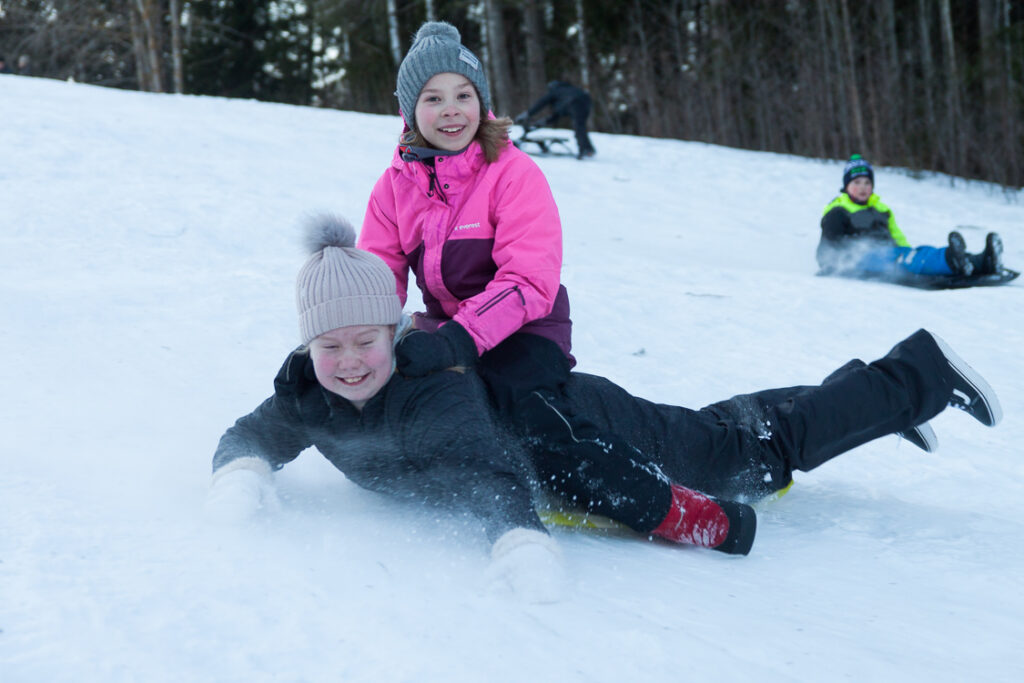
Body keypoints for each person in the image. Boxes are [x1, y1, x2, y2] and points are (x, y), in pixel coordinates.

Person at [206, 217, 566, 602]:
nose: (349, 361)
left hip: (563, 433)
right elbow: (249, 436)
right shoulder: (307, 393)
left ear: (393, 334)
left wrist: (521, 545)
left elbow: (485, 475)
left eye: (365, 342)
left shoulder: (431, 388)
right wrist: (239, 482)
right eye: (329, 347)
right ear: (309, 348)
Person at [818, 154, 1003, 279]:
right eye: (856, 182)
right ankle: (951, 260)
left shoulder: (881, 210)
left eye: (867, 182)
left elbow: (898, 238)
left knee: (915, 254)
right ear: (846, 185)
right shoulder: (838, 210)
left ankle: (981, 262)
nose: (862, 187)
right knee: (905, 258)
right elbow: (831, 245)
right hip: (857, 261)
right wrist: (852, 253)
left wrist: (906, 252)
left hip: (889, 256)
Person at [515, 80, 596, 159]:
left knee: (579, 126)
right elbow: (558, 112)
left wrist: (528, 113)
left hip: (575, 103)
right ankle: (588, 149)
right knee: (581, 126)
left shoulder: (556, 91)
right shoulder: (568, 89)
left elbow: (541, 103)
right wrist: (546, 121)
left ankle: (584, 150)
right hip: (586, 101)